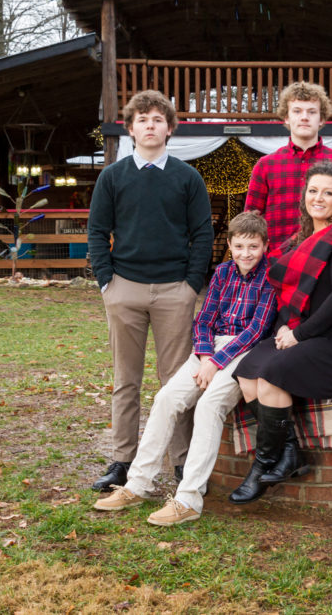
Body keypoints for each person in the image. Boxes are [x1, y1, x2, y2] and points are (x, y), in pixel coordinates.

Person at [93, 212, 276, 524]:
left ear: (265, 246)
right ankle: (138, 484)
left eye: (254, 247)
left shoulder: (270, 276)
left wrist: (217, 364)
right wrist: (206, 357)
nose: (247, 253)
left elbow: (256, 330)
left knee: (208, 406)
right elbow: (204, 319)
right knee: (166, 399)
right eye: (241, 246)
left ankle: (189, 499)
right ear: (230, 244)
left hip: (244, 353)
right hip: (209, 350)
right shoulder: (222, 273)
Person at [87, 89, 214, 492]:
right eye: (142, 119)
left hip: (174, 290)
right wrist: (107, 281)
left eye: (158, 119)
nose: (150, 125)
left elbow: (203, 234)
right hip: (125, 288)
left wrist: (191, 284)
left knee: (176, 380)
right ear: (131, 128)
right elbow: (96, 231)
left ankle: (182, 464)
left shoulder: (186, 177)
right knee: (126, 379)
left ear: (170, 128)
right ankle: (122, 460)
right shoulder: (113, 177)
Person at [229, 161, 332, 504]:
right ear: (304, 195)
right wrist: (284, 327)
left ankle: (261, 467)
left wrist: (299, 334)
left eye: (328, 193)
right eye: (313, 191)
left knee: (272, 375)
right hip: (297, 331)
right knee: (247, 372)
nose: (319, 198)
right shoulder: (299, 238)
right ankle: (290, 452)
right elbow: (286, 294)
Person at [244, 81, 332, 251]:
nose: (304, 117)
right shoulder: (266, 166)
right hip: (277, 261)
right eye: (297, 111)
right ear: (286, 117)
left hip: (327, 259)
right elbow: (250, 222)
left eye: (312, 112)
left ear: (321, 119)